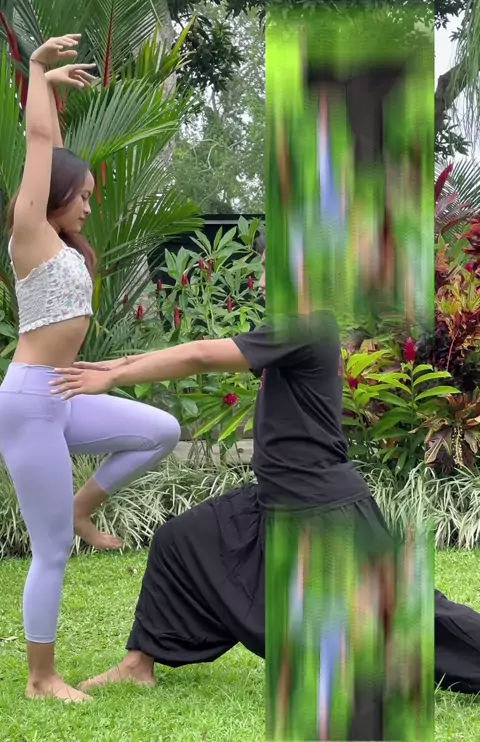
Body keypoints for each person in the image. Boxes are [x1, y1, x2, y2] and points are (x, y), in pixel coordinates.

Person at [51, 240, 480, 715]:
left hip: (323, 507)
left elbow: (201, 355)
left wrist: (114, 378)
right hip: (275, 498)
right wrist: (112, 367)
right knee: (179, 541)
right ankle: (138, 664)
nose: (261, 279)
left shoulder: (307, 325)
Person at [0, 35, 181, 703]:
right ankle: (41, 678)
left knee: (160, 430)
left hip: (64, 394)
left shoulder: (64, 245)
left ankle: (84, 506)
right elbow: (38, 145)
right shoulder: (30, 235)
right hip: (29, 404)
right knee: (51, 551)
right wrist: (38, 70)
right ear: (52, 197)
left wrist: (50, 91)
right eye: (82, 196)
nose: (87, 206)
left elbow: (51, 151)